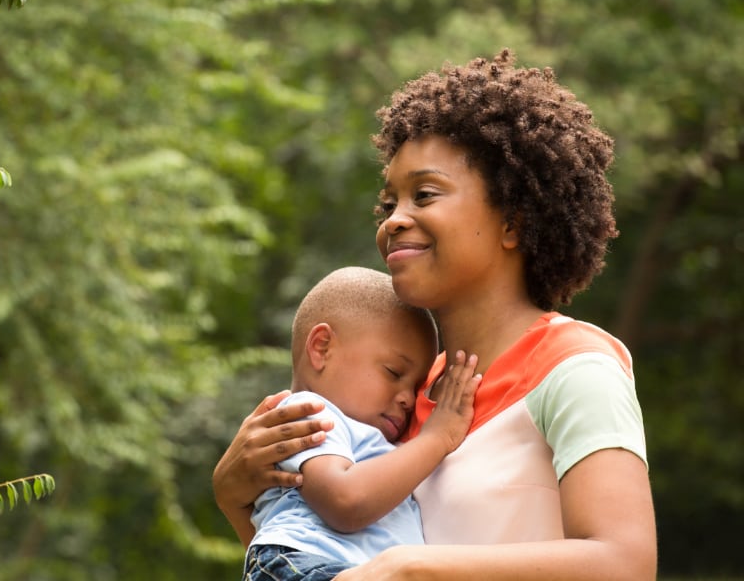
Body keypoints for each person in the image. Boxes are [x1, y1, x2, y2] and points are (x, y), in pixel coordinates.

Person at [213, 48, 657, 580]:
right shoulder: (406, 398)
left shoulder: (576, 367)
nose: (396, 221)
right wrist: (235, 498)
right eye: (389, 204)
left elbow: (625, 564)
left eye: (424, 195)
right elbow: (334, 556)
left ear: (512, 223)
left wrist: (410, 568)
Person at [241, 266, 480, 581]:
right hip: (303, 563)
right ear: (322, 348)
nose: (408, 398)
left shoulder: (374, 439)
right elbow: (345, 502)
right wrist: (437, 437)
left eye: (417, 386)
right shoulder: (307, 413)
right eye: (394, 372)